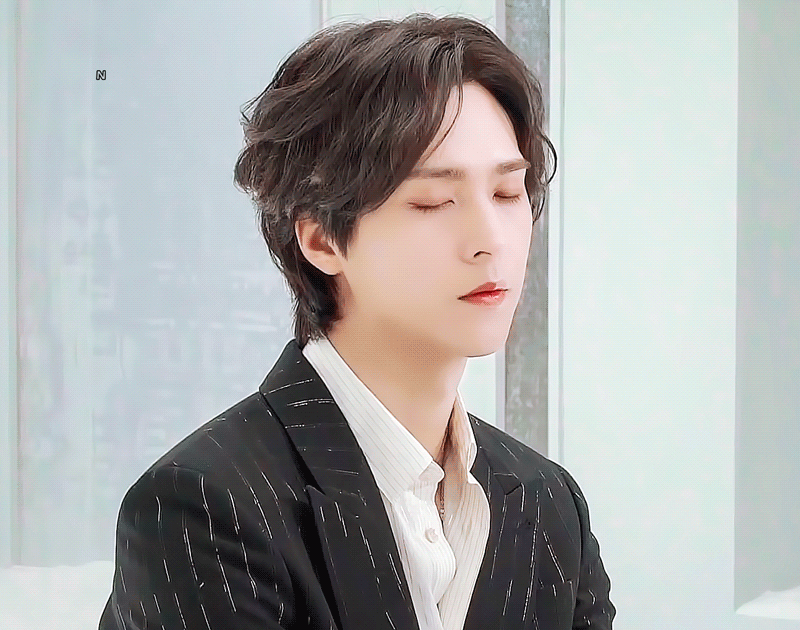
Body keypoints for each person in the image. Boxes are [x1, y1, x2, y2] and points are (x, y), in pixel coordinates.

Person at [98, 13, 615, 630]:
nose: (491, 239)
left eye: (507, 194)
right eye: (434, 202)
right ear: (321, 238)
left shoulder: (550, 505)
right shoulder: (205, 508)